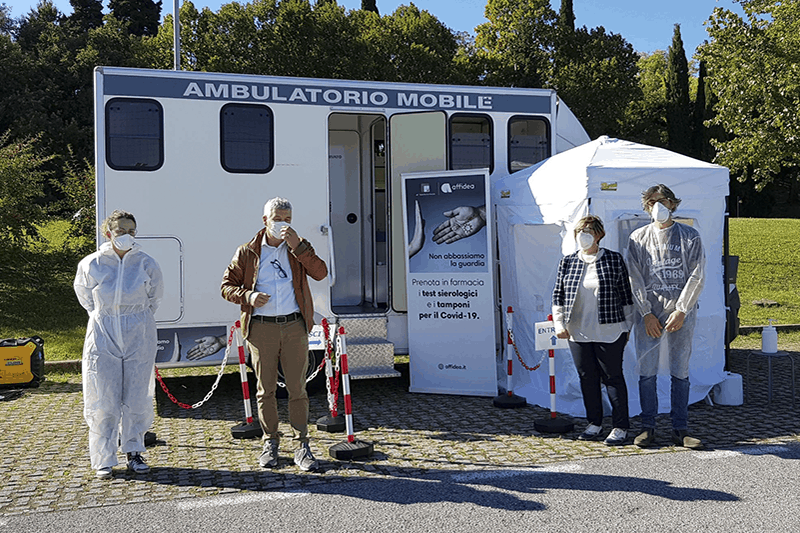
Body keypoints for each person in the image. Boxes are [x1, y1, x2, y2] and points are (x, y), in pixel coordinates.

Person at [221, 197, 328, 471]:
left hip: (294, 326)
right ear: (265, 220)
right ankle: (270, 441)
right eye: (278, 219)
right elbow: (226, 286)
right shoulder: (248, 252)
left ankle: (302, 445)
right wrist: (249, 295)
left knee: (298, 390)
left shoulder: (299, 248)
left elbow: (320, 273)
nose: (283, 224)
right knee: (265, 390)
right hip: (261, 328)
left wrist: (299, 247)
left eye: (288, 220)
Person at [74, 210, 164, 479]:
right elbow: (85, 296)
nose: (127, 236)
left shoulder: (146, 263)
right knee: (103, 397)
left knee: (137, 395)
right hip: (103, 334)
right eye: (121, 230)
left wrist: (133, 318)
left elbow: (154, 298)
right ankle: (103, 457)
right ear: (108, 232)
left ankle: (134, 452)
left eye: (131, 231)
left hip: (139, 333)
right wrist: (106, 316)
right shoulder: (92, 264)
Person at [626, 184, 705, 449]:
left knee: (679, 370)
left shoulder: (690, 236)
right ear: (645, 206)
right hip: (649, 313)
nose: (657, 206)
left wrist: (682, 309)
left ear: (672, 203)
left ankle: (679, 428)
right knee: (647, 371)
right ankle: (647, 427)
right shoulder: (638, 238)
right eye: (651, 201)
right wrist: (646, 313)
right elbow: (634, 277)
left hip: (681, 312)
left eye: (662, 200)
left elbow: (696, 275)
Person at [552, 215, 634, 446]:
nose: (584, 234)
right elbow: (558, 294)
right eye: (580, 230)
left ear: (599, 234)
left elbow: (626, 295)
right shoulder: (567, 262)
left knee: (613, 378)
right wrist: (559, 324)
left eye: (589, 230)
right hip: (578, 332)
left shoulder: (613, 259)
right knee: (587, 378)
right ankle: (594, 423)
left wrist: (628, 327)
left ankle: (620, 426)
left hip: (610, 329)